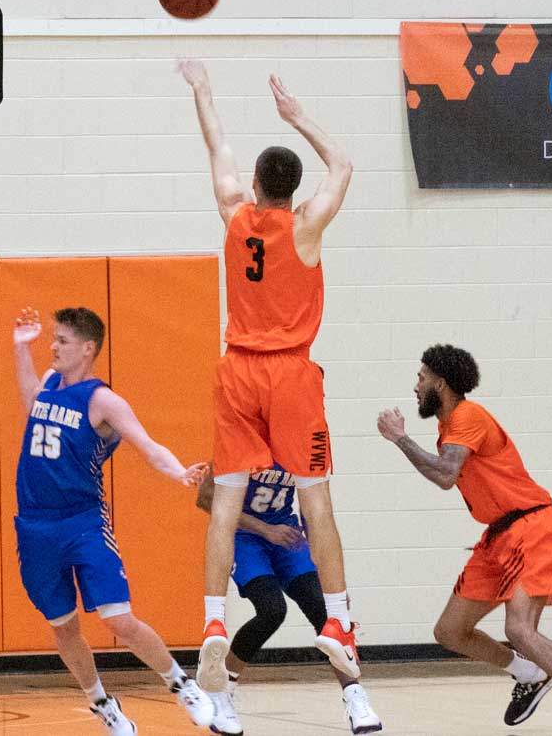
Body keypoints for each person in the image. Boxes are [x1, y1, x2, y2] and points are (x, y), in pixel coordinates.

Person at [177, 59, 368, 699]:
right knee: (316, 500)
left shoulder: (235, 216)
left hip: (237, 369)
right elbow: (343, 164)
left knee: (225, 506)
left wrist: (203, 88)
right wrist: (298, 116)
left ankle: (213, 620)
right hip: (290, 373)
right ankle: (338, 622)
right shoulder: (307, 224)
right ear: (293, 188)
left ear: (256, 184)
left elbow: (217, 147)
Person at [376, 344, 552, 736]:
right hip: (499, 535)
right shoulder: (448, 426)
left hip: (531, 527)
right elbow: (452, 476)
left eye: (421, 377)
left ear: (440, 383)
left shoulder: (468, 416)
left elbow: (446, 475)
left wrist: (400, 439)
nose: (416, 386)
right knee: (450, 631)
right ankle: (529, 673)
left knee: (519, 629)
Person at [11, 306, 215, 736]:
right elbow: (31, 404)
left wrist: (179, 472)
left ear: (87, 348)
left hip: (82, 521)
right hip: (34, 526)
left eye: (62, 340)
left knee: (119, 620)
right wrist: (20, 350)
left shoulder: (103, 400)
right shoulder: (49, 382)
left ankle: (182, 685)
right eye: (53, 339)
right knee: (63, 628)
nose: (53, 346)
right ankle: (102, 704)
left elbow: (148, 445)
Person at [194, 467, 382, 735]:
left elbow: (313, 510)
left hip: (286, 535)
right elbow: (205, 499)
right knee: (271, 610)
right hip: (245, 538)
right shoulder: (242, 445)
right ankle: (222, 690)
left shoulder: (299, 450)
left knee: (324, 610)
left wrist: (330, 581)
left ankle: (355, 696)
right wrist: (266, 529)